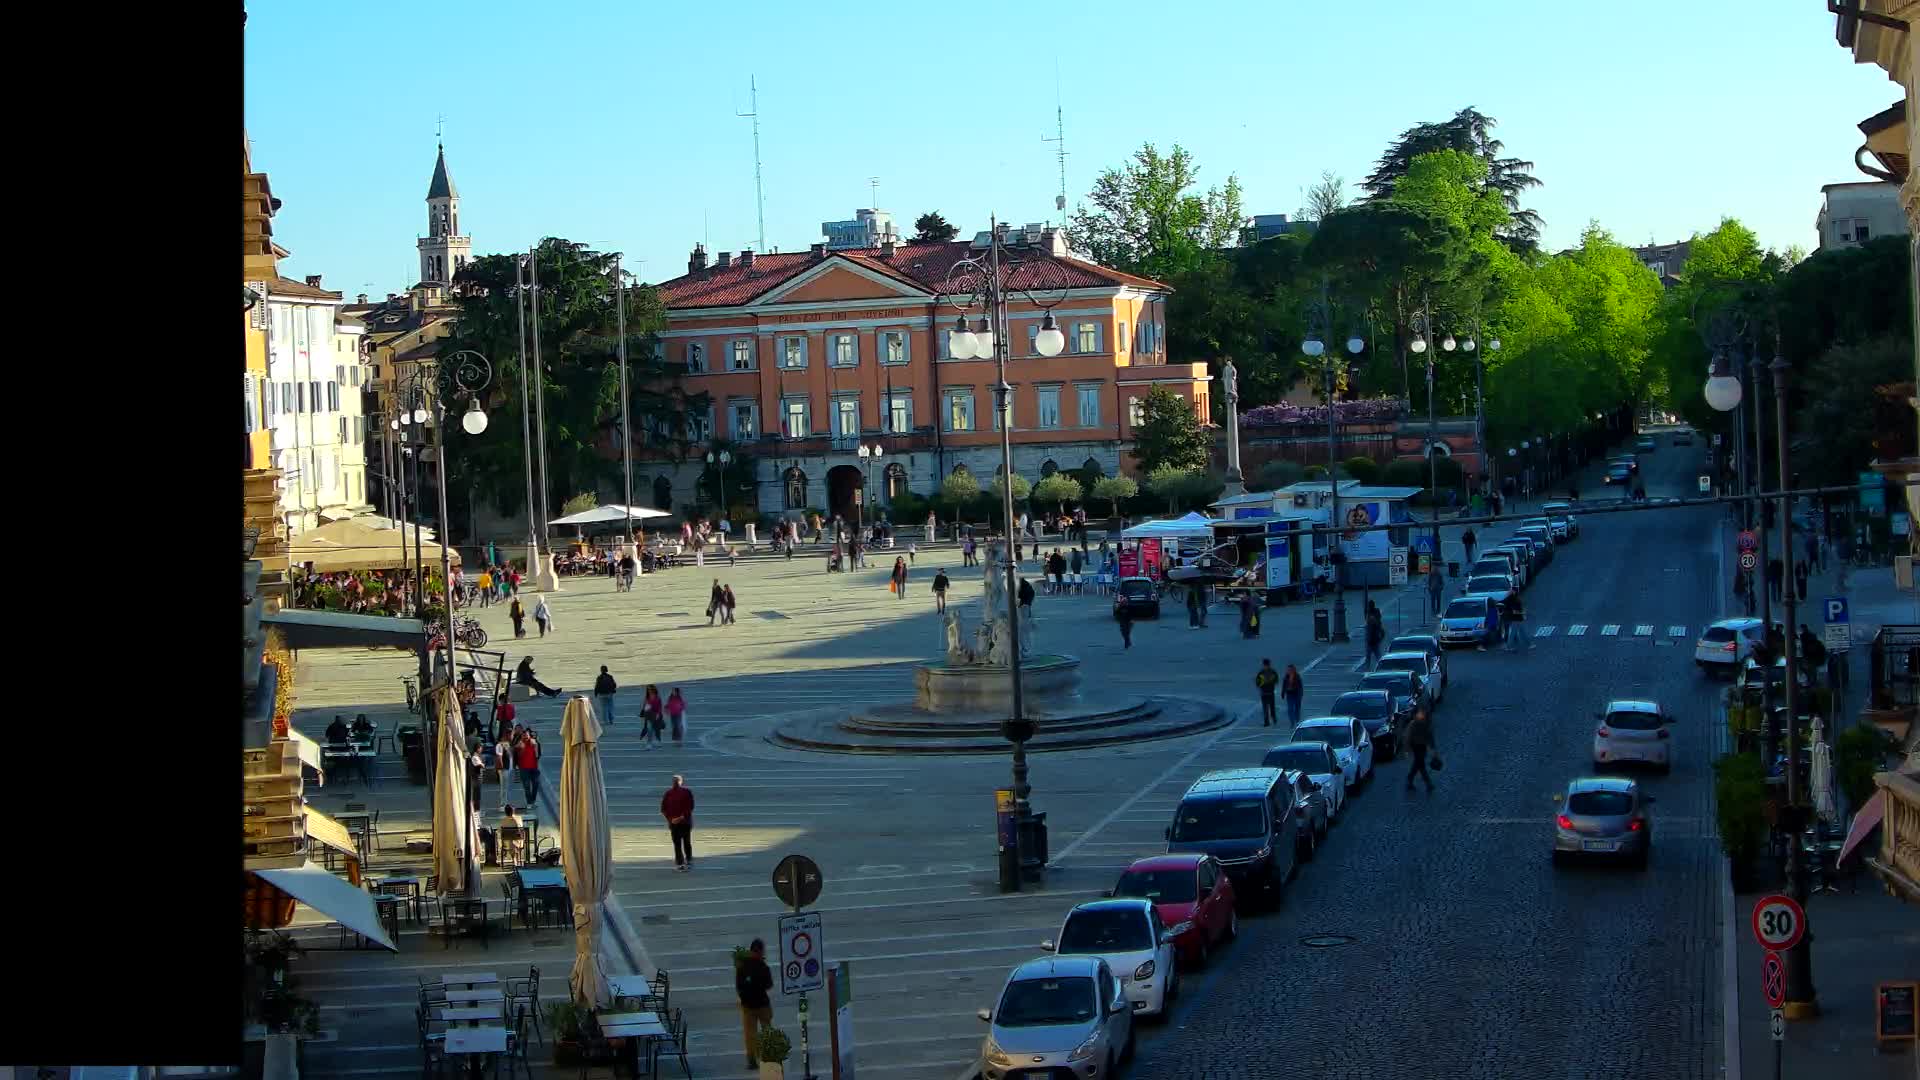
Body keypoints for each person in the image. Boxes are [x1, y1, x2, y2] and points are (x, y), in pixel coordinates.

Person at [736, 938, 776, 1070]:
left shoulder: (742, 966)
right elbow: (769, 985)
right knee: (767, 1031)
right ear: (759, 951)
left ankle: (752, 1059)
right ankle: (768, 1056)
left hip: (747, 1005)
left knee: (750, 1034)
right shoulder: (763, 967)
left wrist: (744, 996)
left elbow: (738, 986)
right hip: (762, 1004)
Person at [661, 774, 695, 871]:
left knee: (677, 844)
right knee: (687, 842)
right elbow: (690, 807)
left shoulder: (668, 793)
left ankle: (680, 864)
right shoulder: (687, 792)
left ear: (673, 782)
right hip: (685, 822)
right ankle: (688, 861)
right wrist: (681, 817)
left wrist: (671, 819)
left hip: (674, 823)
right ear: (681, 781)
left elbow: (663, 809)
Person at [1403, 707, 1436, 792]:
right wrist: (1407, 749)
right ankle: (1428, 784)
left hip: (1422, 746)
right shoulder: (1413, 724)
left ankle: (1410, 778)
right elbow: (1408, 737)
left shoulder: (1422, 723)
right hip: (1416, 746)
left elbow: (1429, 735)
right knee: (1421, 765)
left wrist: (1432, 747)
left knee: (1418, 764)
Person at [514, 726, 542, 806]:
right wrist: (521, 748)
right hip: (524, 768)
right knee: (526, 786)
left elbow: (537, 756)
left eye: (527, 735)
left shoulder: (534, 743)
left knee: (536, 784)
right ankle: (529, 802)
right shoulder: (519, 744)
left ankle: (533, 800)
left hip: (534, 767)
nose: (525, 737)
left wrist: (535, 746)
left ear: (529, 735)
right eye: (524, 735)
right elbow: (518, 756)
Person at [1254, 659, 1280, 726]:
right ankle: (1272, 719)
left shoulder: (1261, 673)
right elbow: (1276, 680)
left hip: (1264, 692)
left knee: (1266, 707)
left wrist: (1261, 685)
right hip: (1270, 692)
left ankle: (1267, 721)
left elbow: (1257, 682)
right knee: (1271, 707)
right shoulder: (1273, 672)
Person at [1282, 662, 1305, 727]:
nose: (1289, 671)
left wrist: (1301, 694)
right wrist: (1283, 693)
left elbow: (1300, 686)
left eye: (1290, 670)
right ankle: (1292, 722)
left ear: (1293, 670)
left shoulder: (1297, 676)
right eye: (1288, 670)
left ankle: (1297, 720)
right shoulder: (1286, 676)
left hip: (1296, 694)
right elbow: (1284, 685)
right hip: (1289, 694)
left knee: (1297, 708)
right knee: (1290, 709)